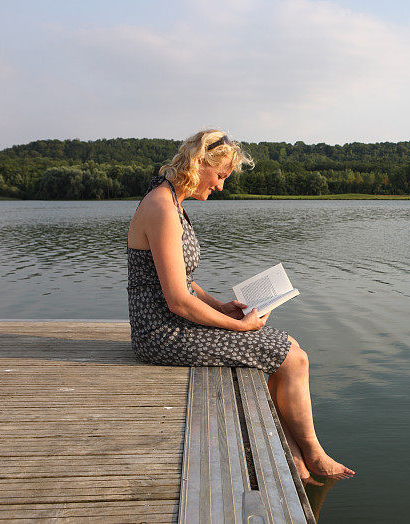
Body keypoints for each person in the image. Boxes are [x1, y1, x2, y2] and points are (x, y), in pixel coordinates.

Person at [126, 129, 354, 483]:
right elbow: (177, 299)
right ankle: (312, 453)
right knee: (293, 357)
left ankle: (296, 457)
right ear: (198, 164)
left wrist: (220, 307)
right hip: (161, 334)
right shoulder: (162, 207)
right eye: (219, 176)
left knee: (287, 350)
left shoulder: (170, 203)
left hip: (168, 324)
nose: (220, 187)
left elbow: (183, 281)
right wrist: (239, 325)